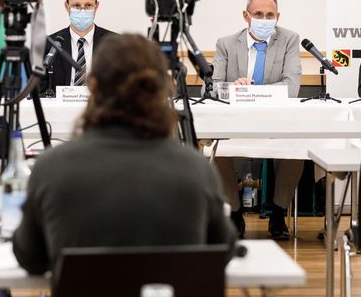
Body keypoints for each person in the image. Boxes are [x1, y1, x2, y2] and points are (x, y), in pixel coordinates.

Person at [13, 34, 237, 275]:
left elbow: (30, 257)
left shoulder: (52, 167)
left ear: (93, 86)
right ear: (161, 90)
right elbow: (224, 248)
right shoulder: (195, 168)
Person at [211, 0, 302, 240]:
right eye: (258, 14)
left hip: (277, 121)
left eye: (270, 15)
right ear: (246, 15)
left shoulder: (290, 40)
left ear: (278, 16)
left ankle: (278, 212)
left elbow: (291, 87)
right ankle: (235, 213)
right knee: (216, 151)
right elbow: (214, 86)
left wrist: (254, 92)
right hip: (236, 122)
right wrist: (234, 88)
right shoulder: (226, 43)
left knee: (297, 149)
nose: (264, 20)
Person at [41, 0, 117, 92]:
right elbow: (39, 91)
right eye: (76, 5)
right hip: (60, 109)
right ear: (67, 6)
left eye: (88, 5)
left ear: (96, 6)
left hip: (101, 108)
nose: (82, 10)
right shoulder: (49, 44)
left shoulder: (115, 44)